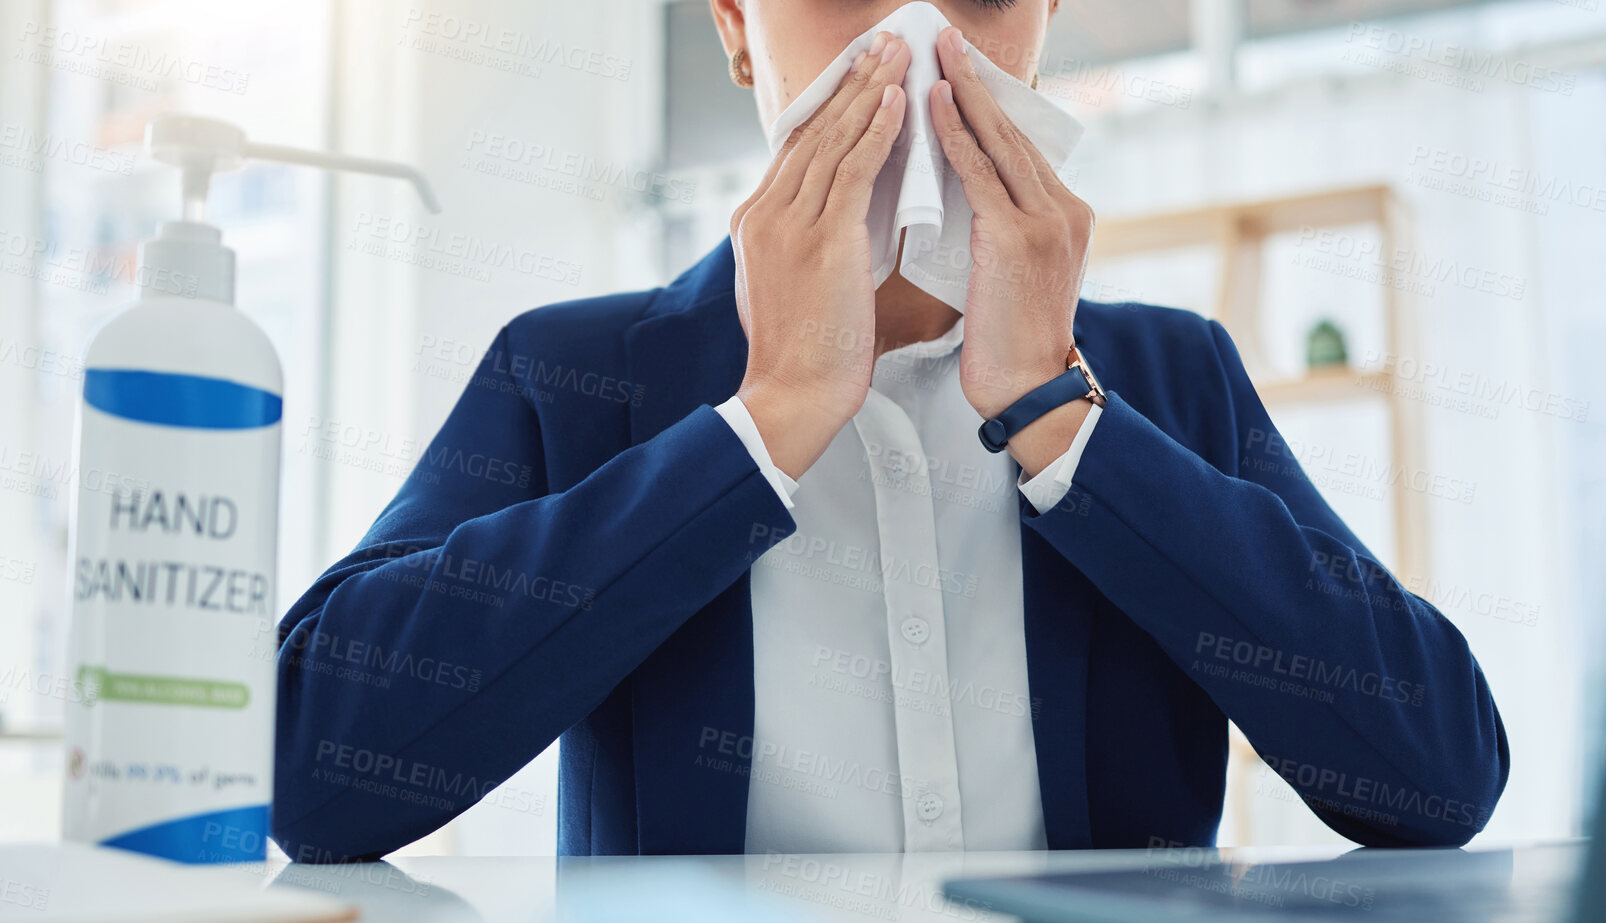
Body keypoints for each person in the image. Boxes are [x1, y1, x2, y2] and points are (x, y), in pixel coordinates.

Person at [271, 0, 1510, 863]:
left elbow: (1435, 776)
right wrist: (762, 426)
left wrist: (1060, 417)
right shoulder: (576, 373)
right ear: (734, 29)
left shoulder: (1169, 376)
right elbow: (319, 777)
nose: (916, 49)